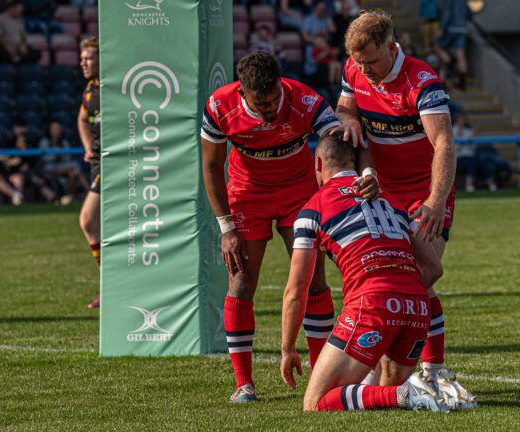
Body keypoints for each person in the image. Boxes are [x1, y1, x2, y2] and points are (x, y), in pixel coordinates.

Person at [200, 51, 376, 403]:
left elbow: (345, 142)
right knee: (241, 281)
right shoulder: (219, 107)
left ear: (281, 84)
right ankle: (243, 384)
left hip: (299, 192)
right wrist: (226, 227)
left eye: (275, 98)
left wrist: (366, 172)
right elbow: (211, 166)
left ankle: (322, 376)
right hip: (247, 194)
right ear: (242, 93)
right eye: (262, 104)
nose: (271, 109)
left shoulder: (305, 101)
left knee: (313, 280)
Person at [335, 11, 474, 401]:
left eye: (371, 61)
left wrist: (435, 200)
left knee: (418, 279)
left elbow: (444, 144)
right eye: (359, 62)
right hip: (381, 191)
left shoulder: (422, 82)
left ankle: (432, 370)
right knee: (386, 279)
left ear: (392, 47)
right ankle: (384, 368)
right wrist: (349, 122)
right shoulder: (354, 69)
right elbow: (345, 110)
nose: (365, 70)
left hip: (424, 193)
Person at [280, 134, 471, 412]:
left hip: (372, 306)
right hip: (417, 309)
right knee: (378, 390)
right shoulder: (392, 201)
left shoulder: (312, 209)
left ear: (318, 163)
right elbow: (433, 268)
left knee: (315, 401)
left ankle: (407, 394)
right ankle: (429, 384)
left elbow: (297, 290)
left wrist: (287, 349)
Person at [77, 36, 101, 309]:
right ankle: (109, 285)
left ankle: (108, 285)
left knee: (87, 220)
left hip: (113, 164)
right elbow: (82, 118)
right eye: (82, 58)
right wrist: (86, 147)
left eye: (88, 58)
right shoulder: (91, 88)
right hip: (97, 163)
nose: (82, 63)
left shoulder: (114, 88)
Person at [38, 119, 86, 202]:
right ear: (49, 130)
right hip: (49, 168)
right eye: (54, 129)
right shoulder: (45, 141)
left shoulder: (64, 142)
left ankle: (70, 197)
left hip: (63, 167)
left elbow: (68, 158)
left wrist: (61, 152)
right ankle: (88, 190)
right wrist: (56, 153)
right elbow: (44, 159)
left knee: (72, 172)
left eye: (58, 129)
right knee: (74, 167)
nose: (56, 131)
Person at [433, 0, 470, 89]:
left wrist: (441, 28)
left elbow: (447, 13)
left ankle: (450, 63)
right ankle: (462, 83)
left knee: (438, 47)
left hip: (451, 27)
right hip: (462, 28)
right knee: (460, 53)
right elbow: (469, 13)